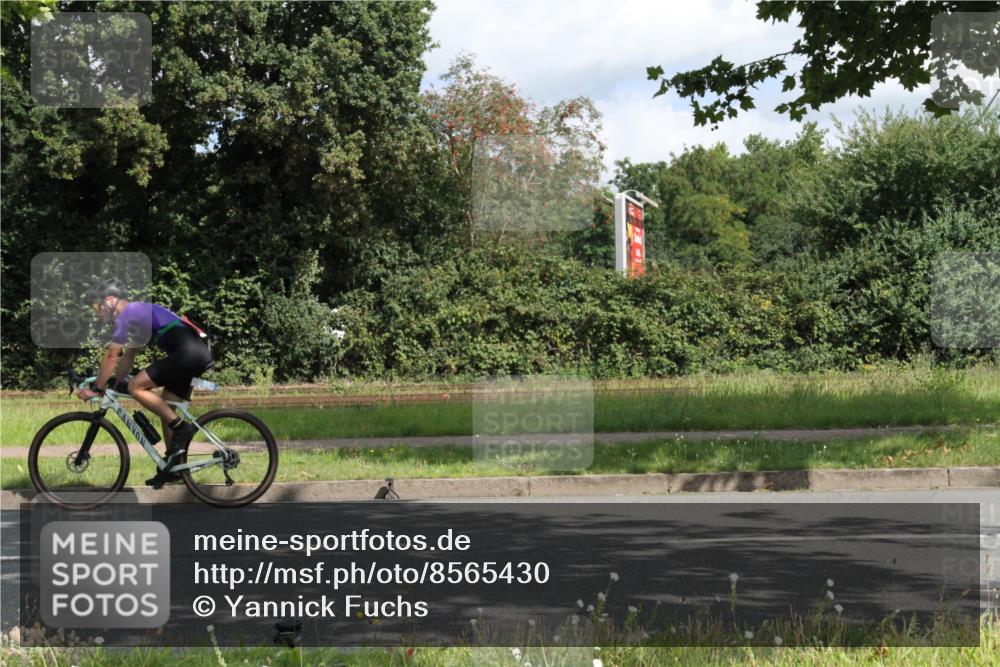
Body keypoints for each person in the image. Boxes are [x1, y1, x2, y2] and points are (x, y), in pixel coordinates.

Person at [79, 278, 213, 488]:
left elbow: (113, 355)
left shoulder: (128, 313)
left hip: (188, 354)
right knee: (166, 409)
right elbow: (128, 356)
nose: (98, 312)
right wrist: (114, 385)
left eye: (98, 306)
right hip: (195, 353)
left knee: (135, 387)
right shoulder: (139, 314)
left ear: (111, 300)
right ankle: (174, 467)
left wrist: (97, 388)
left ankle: (182, 428)